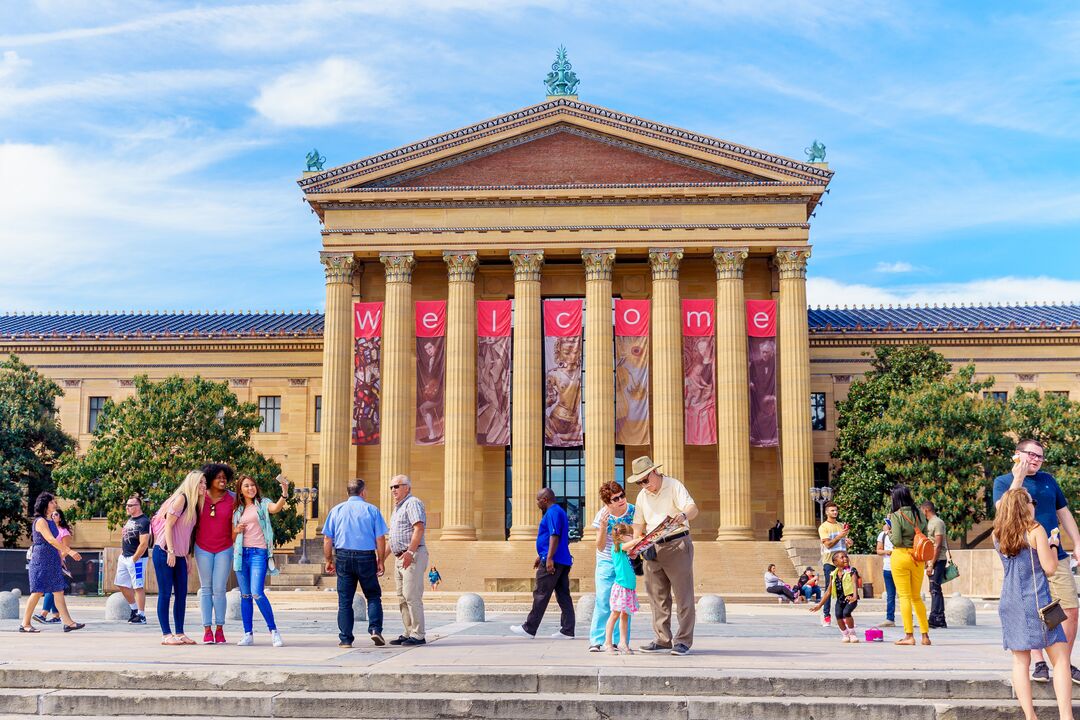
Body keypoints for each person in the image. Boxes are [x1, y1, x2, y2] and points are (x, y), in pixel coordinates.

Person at [994, 439, 1080, 685]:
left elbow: (1064, 513)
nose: (1036, 460)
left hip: (1055, 554)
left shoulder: (1048, 480)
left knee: (1070, 610)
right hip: (1025, 557)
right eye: (1031, 454)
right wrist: (1018, 479)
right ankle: (1038, 660)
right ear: (1016, 455)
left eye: (1040, 457)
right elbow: (1003, 513)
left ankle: (1063, 659)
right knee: (1033, 611)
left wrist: (1077, 542)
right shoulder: (1003, 482)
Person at [993, 488, 1073, 720]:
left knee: (1020, 661)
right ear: (1024, 505)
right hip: (1039, 601)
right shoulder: (1035, 529)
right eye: (1031, 501)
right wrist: (1054, 544)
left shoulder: (997, 534)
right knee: (1060, 659)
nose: (1034, 504)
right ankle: (1066, 716)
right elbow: (1049, 568)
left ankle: (1030, 716)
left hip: (1009, 601)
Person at [630, 455, 698, 656]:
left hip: (676, 543)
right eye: (639, 482)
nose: (643, 485)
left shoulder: (674, 485)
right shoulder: (642, 496)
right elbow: (638, 523)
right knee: (657, 596)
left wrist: (683, 515)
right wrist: (637, 543)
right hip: (652, 547)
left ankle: (683, 640)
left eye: (645, 480)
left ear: (654, 472)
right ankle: (663, 639)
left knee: (683, 594)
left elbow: (692, 508)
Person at [323, 477, 388, 648]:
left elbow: (327, 538)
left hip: (343, 556)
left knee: (345, 601)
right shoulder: (372, 510)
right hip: (366, 556)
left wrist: (329, 560)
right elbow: (380, 538)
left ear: (347, 492)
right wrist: (380, 560)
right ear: (363, 492)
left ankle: (345, 639)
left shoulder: (336, 510)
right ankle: (375, 630)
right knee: (373, 595)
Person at [231, 474, 289, 647]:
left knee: (257, 592)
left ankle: (274, 632)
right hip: (241, 554)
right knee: (245, 595)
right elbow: (232, 536)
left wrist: (284, 492)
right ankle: (248, 633)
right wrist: (236, 529)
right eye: (246, 486)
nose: (250, 488)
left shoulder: (262, 504)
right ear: (240, 490)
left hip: (259, 553)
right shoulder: (237, 510)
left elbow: (276, 508)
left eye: (252, 485)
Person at [511, 488, 575, 639]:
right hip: (562, 559)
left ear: (545, 499)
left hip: (554, 560)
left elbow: (554, 536)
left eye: (538, 500)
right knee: (563, 595)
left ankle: (529, 629)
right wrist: (542, 555)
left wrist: (549, 558)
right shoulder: (559, 511)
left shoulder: (552, 512)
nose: (537, 503)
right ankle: (567, 630)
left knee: (540, 593)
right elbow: (552, 537)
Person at [151, 470, 205, 645]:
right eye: (201, 483)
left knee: (182, 595)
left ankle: (180, 633)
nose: (204, 486)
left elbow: (187, 534)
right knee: (165, 593)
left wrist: (187, 555)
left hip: (180, 555)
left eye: (205, 483)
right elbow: (168, 526)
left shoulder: (195, 505)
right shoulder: (181, 499)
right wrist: (172, 551)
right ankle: (166, 634)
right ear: (193, 484)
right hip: (165, 552)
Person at [20, 493, 84, 633]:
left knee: (58, 590)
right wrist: (70, 551)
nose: (55, 504)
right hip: (41, 560)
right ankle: (25, 624)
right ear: (45, 504)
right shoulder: (40, 521)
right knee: (37, 591)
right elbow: (51, 540)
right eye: (52, 502)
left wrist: (60, 559)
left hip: (52, 559)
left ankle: (68, 623)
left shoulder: (49, 520)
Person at [588, 480, 636, 652]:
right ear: (608, 503)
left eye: (622, 495)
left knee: (624, 604)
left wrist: (634, 550)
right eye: (615, 499)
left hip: (624, 560)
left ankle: (619, 641)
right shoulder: (602, 515)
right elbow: (599, 546)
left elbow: (638, 535)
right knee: (603, 600)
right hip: (606, 560)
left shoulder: (633, 511)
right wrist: (602, 526)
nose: (621, 500)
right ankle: (596, 640)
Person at [195, 463, 236, 644]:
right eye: (218, 477)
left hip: (224, 548)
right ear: (209, 479)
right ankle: (206, 630)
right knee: (206, 589)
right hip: (202, 547)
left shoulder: (233, 499)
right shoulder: (199, 497)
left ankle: (219, 629)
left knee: (220, 589)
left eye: (224, 477)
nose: (222, 480)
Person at [887, 484, 931, 646]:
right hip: (918, 557)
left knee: (904, 597)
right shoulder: (920, 513)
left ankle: (909, 636)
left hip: (901, 556)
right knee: (916, 597)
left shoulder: (896, 516)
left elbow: (897, 540)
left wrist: (888, 533)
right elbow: (925, 535)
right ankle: (925, 636)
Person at [386, 475, 428, 647]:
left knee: (412, 596)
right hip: (399, 557)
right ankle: (409, 631)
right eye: (391, 487)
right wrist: (380, 559)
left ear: (407, 488)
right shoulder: (396, 509)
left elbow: (419, 527)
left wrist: (410, 551)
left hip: (413, 554)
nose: (393, 490)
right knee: (402, 597)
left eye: (397, 486)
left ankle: (418, 635)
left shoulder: (412, 503)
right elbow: (392, 538)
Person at [602, 523, 639, 654]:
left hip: (629, 587)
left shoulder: (625, 550)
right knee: (615, 614)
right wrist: (639, 539)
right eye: (630, 535)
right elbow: (630, 544)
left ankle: (622, 643)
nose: (632, 537)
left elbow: (631, 550)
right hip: (621, 587)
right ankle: (607, 643)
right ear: (623, 536)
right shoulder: (617, 548)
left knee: (625, 615)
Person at [115, 494, 150, 624]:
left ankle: (141, 615)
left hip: (137, 559)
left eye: (130, 505)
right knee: (121, 584)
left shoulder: (144, 521)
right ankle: (134, 609)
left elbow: (144, 543)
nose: (127, 507)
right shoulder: (130, 520)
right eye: (127, 505)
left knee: (138, 586)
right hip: (124, 557)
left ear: (138, 506)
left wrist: (134, 559)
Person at [810, 550, 860, 642]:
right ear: (835, 562)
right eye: (842, 557)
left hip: (851, 598)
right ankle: (845, 634)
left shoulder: (852, 570)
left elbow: (854, 583)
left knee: (846, 613)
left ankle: (852, 634)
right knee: (838, 615)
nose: (845, 558)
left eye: (846, 557)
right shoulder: (833, 574)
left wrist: (855, 597)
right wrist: (820, 605)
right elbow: (828, 591)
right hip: (840, 599)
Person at [36, 509, 72, 624]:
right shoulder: (49, 529)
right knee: (55, 589)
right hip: (48, 561)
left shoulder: (64, 531)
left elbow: (66, 548)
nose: (53, 516)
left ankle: (44, 614)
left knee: (52, 589)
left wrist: (59, 560)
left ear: (60, 517)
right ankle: (56, 616)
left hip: (57, 562)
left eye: (56, 514)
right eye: (52, 514)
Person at [817, 501, 848, 628]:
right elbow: (828, 544)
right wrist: (840, 536)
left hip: (842, 562)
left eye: (836, 510)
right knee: (829, 588)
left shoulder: (841, 525)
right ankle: (826, 616)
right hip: (829, 561)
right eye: (832, 510)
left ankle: (843, 616)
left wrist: (848, 542)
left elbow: (843, 545)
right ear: (826, 512)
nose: (835, 512)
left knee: (845, 589)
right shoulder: (823, 527)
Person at [921, 501, 949, 630]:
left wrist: (931, 564)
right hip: (931, 559)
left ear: (926, 510)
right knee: (934, 589)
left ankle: (936, 618)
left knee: (935, 589)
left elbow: (937, 545)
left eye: (922, 510)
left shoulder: (937, 522)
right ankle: (938, 618)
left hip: (938, 560)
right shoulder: (930, 523)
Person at [875, 519, 896, 627]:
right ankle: (890, 618)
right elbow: (878, 550)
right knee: (890, 595)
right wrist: (886, 552)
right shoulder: (882, 535)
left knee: (905, 595)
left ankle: (909, 618)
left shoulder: (899, 534)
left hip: (900, 567)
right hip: (888, 567)